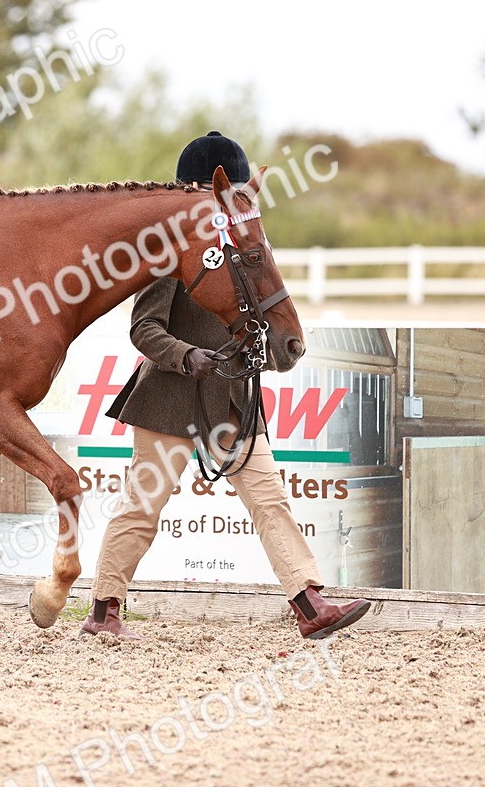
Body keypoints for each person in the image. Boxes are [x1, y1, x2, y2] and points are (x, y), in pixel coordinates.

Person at [80, 131, 371, 641]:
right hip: (170, 399)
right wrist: (186, 355)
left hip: (233, 398)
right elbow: (143, 328)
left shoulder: (247, 244)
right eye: (227, 195)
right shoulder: (171, 248)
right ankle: (104, 610)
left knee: (269, 499)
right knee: (142, 507)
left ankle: (309, 604)